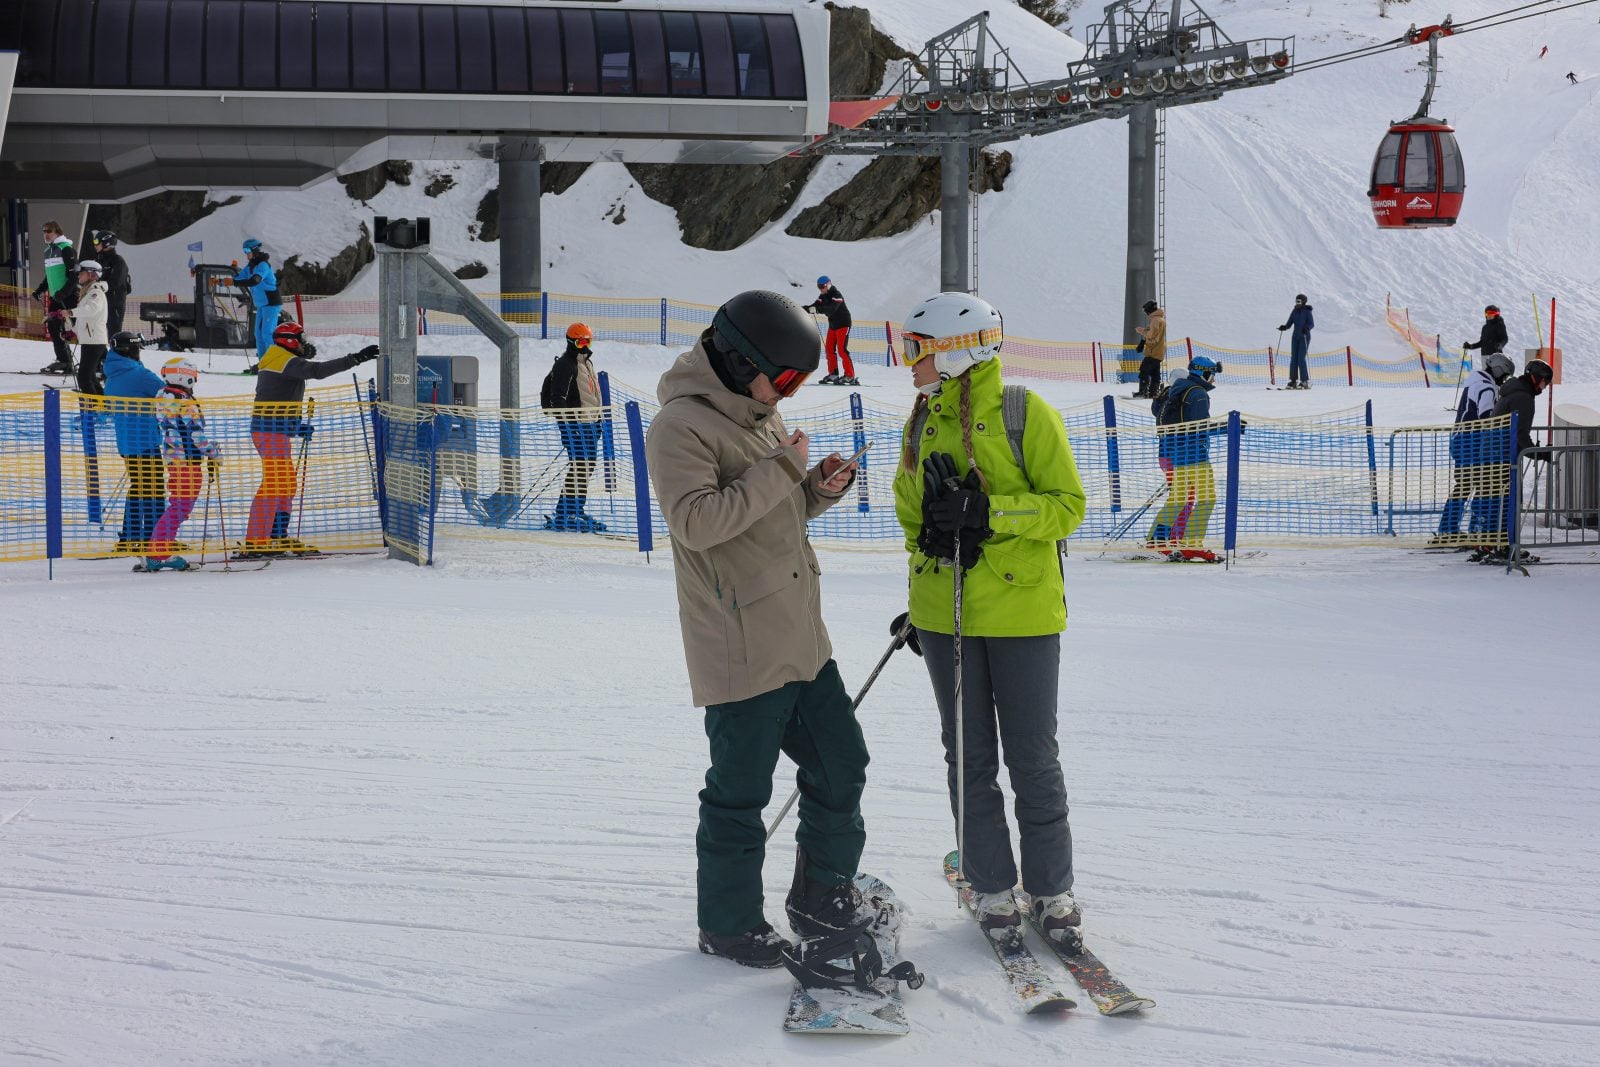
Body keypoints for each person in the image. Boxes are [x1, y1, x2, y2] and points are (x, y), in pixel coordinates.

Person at [644, 289, 866, 968]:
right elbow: (698, 522)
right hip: (741, 645)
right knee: (740, 792)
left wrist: (816, 489)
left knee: (842, 764)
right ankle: (730, 923)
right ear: (743, 361)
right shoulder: (679, 427)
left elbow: (776, 511)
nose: (790, 395)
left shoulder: (761, 414)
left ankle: (822, 893)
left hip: (801, 635)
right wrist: (783, 469)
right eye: (788, 378)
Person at [890, 291, 1088, 948]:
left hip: (1024, 612)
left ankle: (1052, 890)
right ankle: (993, 887)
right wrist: (933, 546)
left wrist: (989, 514)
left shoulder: (1024, 413)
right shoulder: (919, 422)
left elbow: (1067, 507)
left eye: (916, 348)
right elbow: (912, 516)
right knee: (967, 752)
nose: (906, 360)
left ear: (955, 349)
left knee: (1032, 754)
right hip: (947, 614)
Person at [242, 320, 379, 557]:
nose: (304, 343)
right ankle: (256, 541)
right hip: (269, 431)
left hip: (276, 430)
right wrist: (354, 359)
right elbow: (316, 371)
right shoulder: (282, 359)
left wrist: (295, 427)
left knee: (285, 485)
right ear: (289, 340)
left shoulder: (281, 359)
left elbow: (278, 399)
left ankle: (277, 535)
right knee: (274, 484)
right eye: (301, 339)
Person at [144, 358, 221, 572]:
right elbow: (195, 434)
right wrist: (213, 452)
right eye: (193, 378)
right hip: (188, 461)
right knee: (180, 507)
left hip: (173, 458)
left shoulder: (163, 396)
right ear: (184, 376)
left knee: (178, 506)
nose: (193, 382)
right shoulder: (184, 400)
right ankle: (158, 554)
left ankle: (160, 551)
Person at [1148, 355, 1224, 561]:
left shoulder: (1178, 389)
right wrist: (1228, 427)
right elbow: (1199, 426)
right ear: (1204, 373)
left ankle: (1157, 539)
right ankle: (1191, 543)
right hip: (1195, 455)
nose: (1214, 379)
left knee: (1178, 498)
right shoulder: (1198, 393)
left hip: (1177, 454)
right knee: (1207, 498)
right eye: (1212, 374)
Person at [1434, 352, 1515, 544]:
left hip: (1462, 439)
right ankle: (1470, 529)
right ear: (1498, 370)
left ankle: (1449, 528)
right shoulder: (1486, 388)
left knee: (1465, 485)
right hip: (1472, 442)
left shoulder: (1476, 381)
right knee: (1479, 485)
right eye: (1504, 376)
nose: (1503, 381)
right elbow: (1487, 416)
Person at [1479, 358, 1554, 561]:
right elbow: (1520, 436)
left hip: (1492, 453)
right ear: (1535, 378)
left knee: (1495, 500)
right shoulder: (1523, 397)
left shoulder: (1512, 391)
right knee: (1508, 500)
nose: (1544, 387)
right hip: (1501, 456)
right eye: (1544, 382)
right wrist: (1540, 454)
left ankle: (1488, 544)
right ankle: (1505, 547)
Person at [101, 332, 167, 555]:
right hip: (145, 440)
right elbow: (167, 393)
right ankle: (154, 538)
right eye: (137, 347)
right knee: (154, 490)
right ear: (130, 350)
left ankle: (130, 536)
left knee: (139, 488)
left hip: (127, 443)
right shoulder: (139, 374)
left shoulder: (112, 374)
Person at [539, 322, 607, 532]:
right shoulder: (566, 365)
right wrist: (568, 425)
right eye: (581, 341)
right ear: (572, 342)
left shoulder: (586, 363)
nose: (585, 345)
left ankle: (574, 509)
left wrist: (597, 421)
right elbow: (558, 397)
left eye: (588, 341)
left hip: (590, 425)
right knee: (579, 466)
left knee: (586, 467)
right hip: (576, 425)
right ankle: (566, 512)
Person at [31, 220, 79, 374]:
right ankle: (64, 361)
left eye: (49, 231)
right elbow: (49, 277)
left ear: (57, 232)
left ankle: (99, 361)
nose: (45, 234)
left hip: (69, 296)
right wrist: (39, 290)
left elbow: (74, 275)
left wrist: (64, 293)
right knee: (53, 327)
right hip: (56, 297)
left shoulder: (66, 248)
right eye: (44, 231)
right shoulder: (48, 251)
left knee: (80, 329)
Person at [233, 238, 281, 360]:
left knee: (267, 333)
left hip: (271, 303)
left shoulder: (263, 265)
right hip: (261, 305)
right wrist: (221, 281)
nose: (246, 253)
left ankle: (274, 361)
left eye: (247, 250)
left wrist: (233, 282)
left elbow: (254, 281)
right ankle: (263, 363)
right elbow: (239, 277)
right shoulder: (251, 266)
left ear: (255, 250)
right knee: (258, 335)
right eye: (244, 250)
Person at [803, 276, 857, 386]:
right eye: (819, 287)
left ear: (828, 284)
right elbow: (815, 306)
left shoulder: (836, 294)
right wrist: (803, 309)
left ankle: (850, 376)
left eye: (822, 286)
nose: (821, 289)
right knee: (829, 349)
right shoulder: (823, 295)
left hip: (843, 324)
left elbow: (831, 308)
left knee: (842, 350)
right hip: (833, 325)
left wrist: (817, 310)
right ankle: (833, 374)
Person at [67, 260, 109, 396]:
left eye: (82, 273)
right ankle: (101, 408)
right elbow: (83, 320)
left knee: (84, 378)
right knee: (89, 377)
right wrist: (72, 332)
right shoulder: (87, 292)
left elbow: (91, 310)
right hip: (90, 340)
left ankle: (94, 410)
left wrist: (71, 312)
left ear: (91, 274)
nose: (78, 276)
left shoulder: (96, 293)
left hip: (94, 341)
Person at [92, 231, 133, 336]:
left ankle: (114, 352)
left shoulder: (118, 261)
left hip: (113, 304)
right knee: (96, 334)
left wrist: (99, 285)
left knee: (113, 334)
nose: (95, 244)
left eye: (97, 242)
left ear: (106, 243)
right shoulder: (97, 261)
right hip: (99, 303)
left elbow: (116, 282)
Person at [1277, 294, 1315, 389]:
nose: (1297, 303)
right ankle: (1293, 381)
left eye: (1299, 301)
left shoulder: (1307, 312)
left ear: (1303, 302)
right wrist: (1284, 327)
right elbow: (1289, 323)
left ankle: (1304, 381)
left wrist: (1307, 328)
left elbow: (1311, 324)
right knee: (1294, 358)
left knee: (1301, 359)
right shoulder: (1294, 311)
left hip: (1304, 337)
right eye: (1296, 301)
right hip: (1295, 337)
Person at [1133, 299, 1166, 399]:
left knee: (1144, 371)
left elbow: (1151, 335)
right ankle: (1153, 393)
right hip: (1159, 352)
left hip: (1153, 351)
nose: (1146, 313)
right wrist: (1142, 342)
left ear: (1149, 310)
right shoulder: (1160, 319)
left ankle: (1143, 392)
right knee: (1155, 373)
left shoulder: (1155, 320)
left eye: (1146, 311)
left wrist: (1141, 331)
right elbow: (1151, 332)